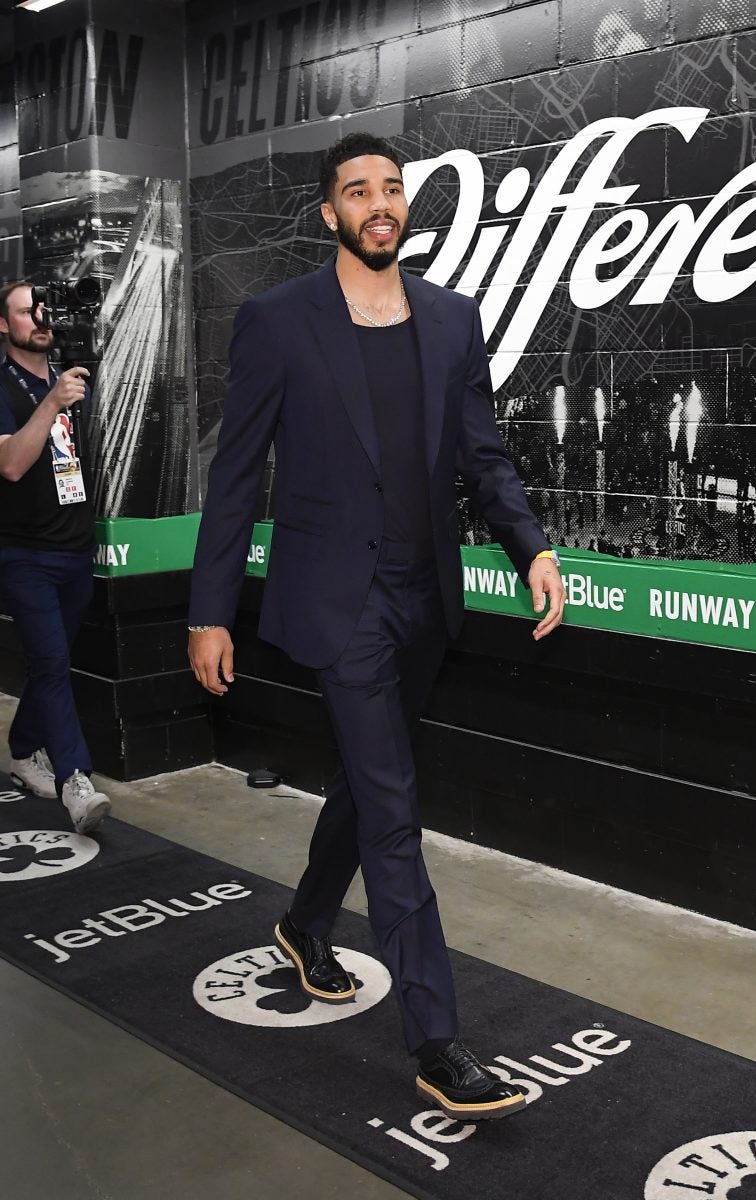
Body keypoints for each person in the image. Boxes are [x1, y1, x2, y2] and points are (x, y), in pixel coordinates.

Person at [188, 132, 565, 1121]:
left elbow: (481, 456)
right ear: (330, 215)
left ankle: (306, 922)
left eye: (391, 188)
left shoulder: (449, 320)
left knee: (367, 777)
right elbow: (234, 481)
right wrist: (206, 611)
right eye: (357, 191)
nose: (378, 203)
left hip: (422, 600)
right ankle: (438, 1042)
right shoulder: (278, 321)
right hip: (335, 603)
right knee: (394, 808)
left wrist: (528, 542)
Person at [0, 280, 110, 834]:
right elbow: (12, 464)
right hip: (23, 554)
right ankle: (76, 780)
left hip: (74, 548)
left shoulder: (73, 378)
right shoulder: (6, 385)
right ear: (4, 325)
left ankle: (22, 751)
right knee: (51, 664)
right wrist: (51, 402)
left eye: (43, 311)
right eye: (25, 313)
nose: (39, 320)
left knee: (50, 666)